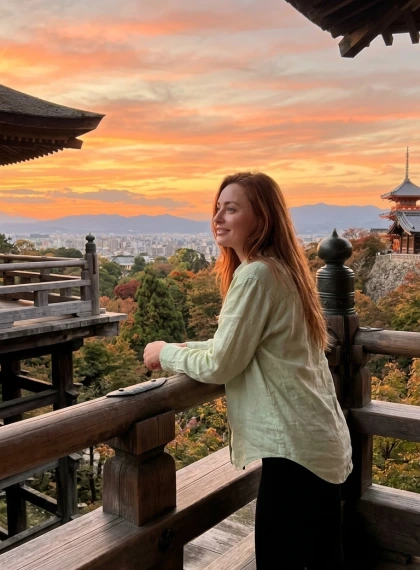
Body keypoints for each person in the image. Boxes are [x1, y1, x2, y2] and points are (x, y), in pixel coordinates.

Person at [143, 172, 352, 569]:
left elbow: (222, 363)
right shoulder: (282, 270)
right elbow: (240, 344)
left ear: (262, 219)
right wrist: (189, 348)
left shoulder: (256, 274)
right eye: (217, 208)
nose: (218, 217)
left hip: (293, 453)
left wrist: (165, 353)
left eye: (232, 209)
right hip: (317, 441)